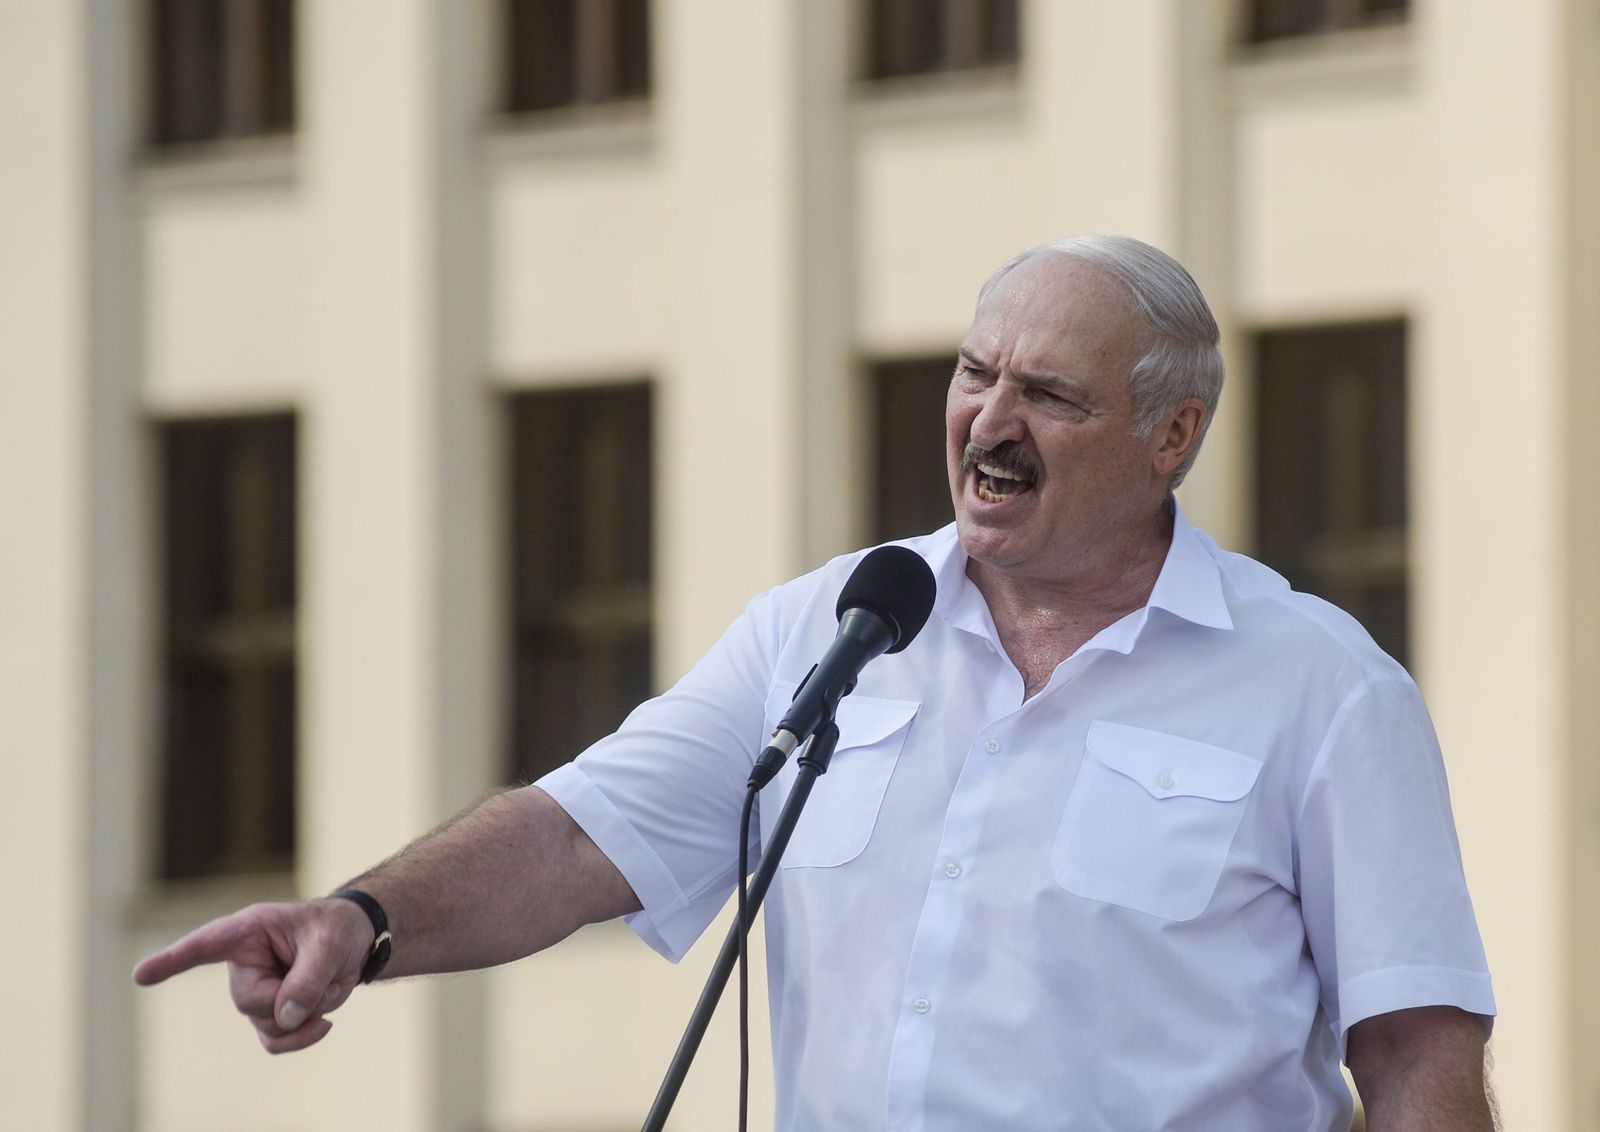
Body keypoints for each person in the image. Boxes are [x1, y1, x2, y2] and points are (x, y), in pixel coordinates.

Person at [136, 235, 1498, 1130]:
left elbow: (1418, 1059)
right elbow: (570, 836)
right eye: (975, 374)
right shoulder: (831, 631)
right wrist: (361, 920)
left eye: (1051, 397)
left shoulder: (1318, 687)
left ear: (1172, 436)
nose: (990, 423)